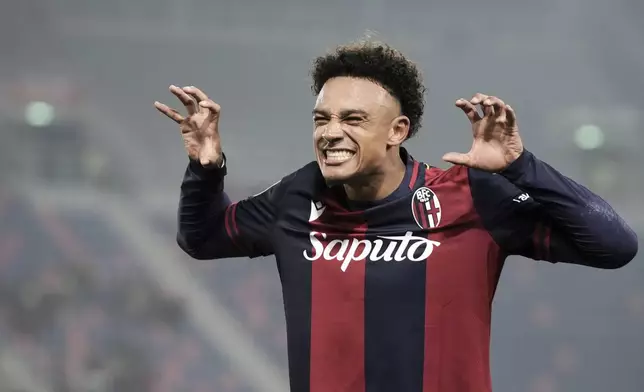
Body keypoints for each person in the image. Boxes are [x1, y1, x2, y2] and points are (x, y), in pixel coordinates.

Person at [154, 41, 638, 392]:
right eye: (322, 119)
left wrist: (521, 166)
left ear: (398, 130)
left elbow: (614, 245)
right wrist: (206, 167)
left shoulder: (471, 197)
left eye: (353, 119)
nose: (331, 133)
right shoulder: (297, 197)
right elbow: (201, 238)